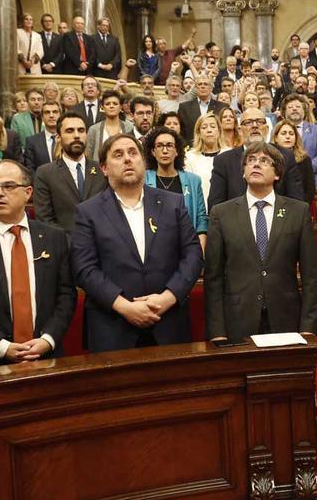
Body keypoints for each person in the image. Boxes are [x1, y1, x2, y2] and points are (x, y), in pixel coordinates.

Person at [70, 134, 203, 352]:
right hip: (113, 328)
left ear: (143, 162)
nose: (128, 159)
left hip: (169, 324)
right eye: (118, 155)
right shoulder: (88, 212)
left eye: (133, 153)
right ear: (104, 168)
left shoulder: (173, 203)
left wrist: (167, 299)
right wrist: (125, 307)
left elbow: (193, 255)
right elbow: (84, 269)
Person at [0, 159, 76, 369]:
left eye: (8, 186)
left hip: (46, 358)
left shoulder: (54, 237)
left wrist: (47, 340)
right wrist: (2, 347)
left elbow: (66, 295)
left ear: (28, 193)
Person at [204, 140, 317, 341]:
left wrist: (308, 326)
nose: (256, 164)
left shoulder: (298, 211)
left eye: (264, 161)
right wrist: (217, 331)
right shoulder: (221, 213)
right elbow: (213, 277)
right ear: (243, 172)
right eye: (250, 160)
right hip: (238, 320)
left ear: (277, 174)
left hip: (286, 319)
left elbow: (311, 274)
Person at [207, 108, 306, 210]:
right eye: (248, 122)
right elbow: (215, 208)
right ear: (240, 130)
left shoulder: (286, 156)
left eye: (260, 122)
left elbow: (296, 202)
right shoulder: (224, 161)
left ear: (267, 129)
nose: (255, 125)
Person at [33, 112, 108, 232]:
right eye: (70, 131)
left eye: (81, 130)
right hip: (65, 246)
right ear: (58, 137)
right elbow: (44, 219)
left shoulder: (102, 170)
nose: (77, 135)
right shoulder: (45, 173)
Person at [143, 126, 208, 250]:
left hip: (186, 248)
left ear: (177, 150)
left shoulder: (193, 181)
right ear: (152, 151)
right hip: (153, 249)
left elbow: (201, 221)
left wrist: (200, 255)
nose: (165, 150)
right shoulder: (143, 180)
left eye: (169, 145)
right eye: (160, 146)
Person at [281, 95, 317, 194]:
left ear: (304, 111)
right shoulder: (277, 131)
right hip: (285, 180)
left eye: (298, 107)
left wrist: (306, 169)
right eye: (290, 107)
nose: (294, 109)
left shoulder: (316, 130)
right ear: (284, 112)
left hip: (312, 178)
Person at [86, 90, 136, 164]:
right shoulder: (94, 129)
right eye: (107, 104)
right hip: (99, 172)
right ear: (102, 107)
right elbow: (89, 156)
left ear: (120, 107)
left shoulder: (129, 127)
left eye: (115, 104)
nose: (111, 106)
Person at [185, 112, 223, 206]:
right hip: (199, 210)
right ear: (199, 133)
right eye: (204, 127)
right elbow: (188, 189)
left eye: (213, 126)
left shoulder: (229, 154)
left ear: (219, 131)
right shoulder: (189, 157)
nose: (209, 130)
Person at [273, 121, 317, 204]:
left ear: (296, 138)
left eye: (291, 134)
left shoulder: (305, 160)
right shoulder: (270, 159)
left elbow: (310, 190)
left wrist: (299, 208)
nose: (288, 137)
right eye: (283, 133)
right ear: (276, 138)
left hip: (298, 206)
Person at [177, 76, 225, 144]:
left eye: (205, 84)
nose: (202, 86)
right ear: (196, 88)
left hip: (217, 145)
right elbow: (181, 131)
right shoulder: (184, 107)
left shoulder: (222, 107)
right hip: (191, 147)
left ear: (211, 88)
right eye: (200, 84)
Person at [23, 100, 62, 172]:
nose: (51, 115)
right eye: (47, 112)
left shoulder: (67, 138)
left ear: (60, 115)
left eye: (55, 112)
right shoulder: (32, 141)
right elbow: (30, 169)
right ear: (42, 117)